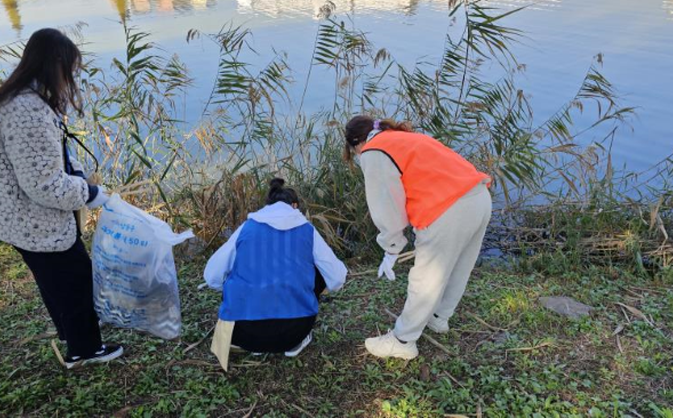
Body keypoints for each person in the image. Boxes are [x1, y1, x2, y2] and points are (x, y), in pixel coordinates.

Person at [0, 28, 123, 369]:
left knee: (54, 279)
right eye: (70, 69)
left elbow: (48, 158)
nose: (71, 77)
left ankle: (71, 331)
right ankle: (84, 351)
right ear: (55, 64)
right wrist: (91, 193)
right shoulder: (27, 110)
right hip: (31, 219)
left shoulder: (21, 97)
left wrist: (79, 176)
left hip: (16, 216)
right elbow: (43, 185)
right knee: (74, 279)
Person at [344, 115, 492, 360]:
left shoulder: (373, 151)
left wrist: (391, 246)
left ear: (356, 144)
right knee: (459, 266)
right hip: (478, 196)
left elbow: (387, 204)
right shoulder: (403, 138)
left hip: (448, 208)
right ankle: (438, 317)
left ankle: (403, 340)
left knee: (425, 278)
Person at [204, 178, 347, 365]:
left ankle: (257, 344)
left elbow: (212, 276)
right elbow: (336, 279)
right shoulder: (307, 230)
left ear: (267, 205)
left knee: (234, 268)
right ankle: (296, 341)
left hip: (243, 333)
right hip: (294, 333)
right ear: (295, 206)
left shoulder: (246, 228)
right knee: (318, 272)